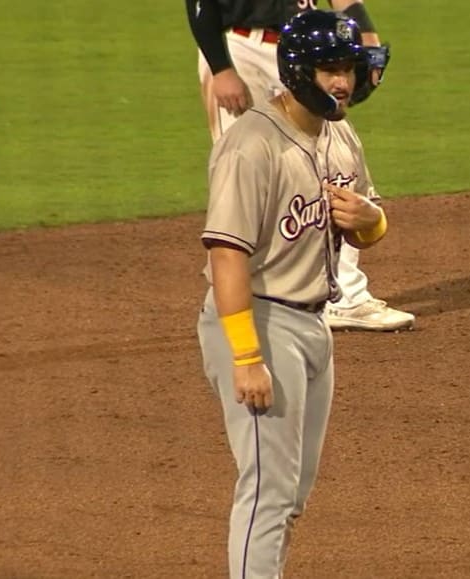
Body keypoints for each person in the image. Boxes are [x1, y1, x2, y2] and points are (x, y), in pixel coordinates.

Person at [195, 11, 396, 577]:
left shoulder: (339, 133)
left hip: (313, 325)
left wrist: (373, 221)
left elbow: (365, 226)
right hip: (258, 322)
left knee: (291, 495)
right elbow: (227, 254)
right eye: (331, 69)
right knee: (268, 492)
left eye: (348, 69)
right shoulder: (250, 145)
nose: (343, 82)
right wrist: (246, 355)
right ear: (301, 71)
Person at [185, 0, 415, 332]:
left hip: (311, 52)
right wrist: (220, 67)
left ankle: (346, 296)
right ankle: (243, 298)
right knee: (243, 172)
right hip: (240, 49)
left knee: (332, 165)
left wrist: (366, 37)